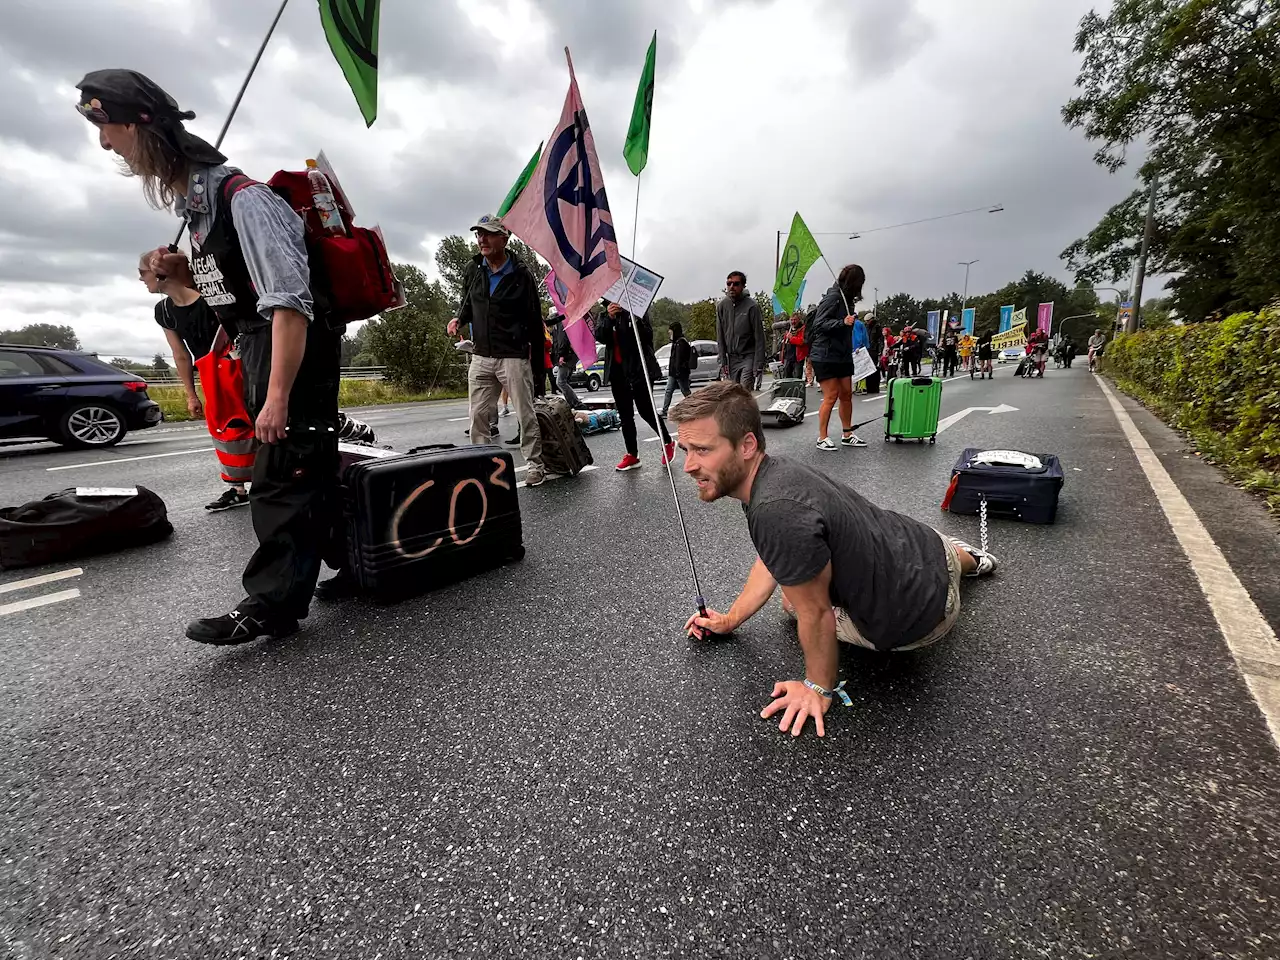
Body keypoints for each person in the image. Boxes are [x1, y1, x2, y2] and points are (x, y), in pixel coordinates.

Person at [78, 69, 346, 643]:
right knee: (306, 467)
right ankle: (355, 558)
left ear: (141, 127)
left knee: (280, 473)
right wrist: (180, 276)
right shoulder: (198, 212)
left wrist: (275, 398)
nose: (105, 144)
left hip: (290, 348)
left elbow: (290, 304)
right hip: (260, 347)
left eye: (109, 128)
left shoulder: (243, 200)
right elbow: (231, 299)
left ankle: (272, 604)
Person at [672, 382, 999, 738]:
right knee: (936, 553)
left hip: (921, 618)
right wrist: (731, 619)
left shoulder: (775, 511)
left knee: (795, 604)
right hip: (923, 547)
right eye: (685, 449)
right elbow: (777, 556)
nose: (688, 465)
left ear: (747, 445)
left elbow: (816, 612)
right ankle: (972, 559)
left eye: (702, 450)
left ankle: (963, 568)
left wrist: (816, 687)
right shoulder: (775, 473)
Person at [139, 251, 251, 512]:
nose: (141, 279)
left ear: (160, 271)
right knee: (223, 428)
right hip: (209, 373)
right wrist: (191, 394)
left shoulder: (211, 300)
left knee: (252, 423)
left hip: (238, 366)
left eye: (142, 273)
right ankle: (237, 487)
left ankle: (269, 478)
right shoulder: (164, 311)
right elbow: (180, 354)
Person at [446, 214, 546, 487]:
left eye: (488, 234)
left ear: (505, 237)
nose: (482, 239)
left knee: (525, 413)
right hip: (481, 354)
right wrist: (458, 318)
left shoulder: (521, 274)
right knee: (478, 415)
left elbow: (534, 320)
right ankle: (482, 466)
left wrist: (538, 371)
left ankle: (536, 464)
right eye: (479, 234)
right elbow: (467, 301)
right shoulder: (473, 269)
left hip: (513, 355)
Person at [595, 299, 674, 470]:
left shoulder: (637, 309)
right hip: (617, 372)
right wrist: (609, 317)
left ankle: (667, 441)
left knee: (646, 410)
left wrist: (635, 319)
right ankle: (632, 454)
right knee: (625, 415)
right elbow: (601, 337)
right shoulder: (604, 315)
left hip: (639, 369)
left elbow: (647, 335)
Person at [806, 264, 868, 451]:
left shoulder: (847, 300)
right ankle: (822, 437)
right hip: (825, 354)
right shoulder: (833, 297)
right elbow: (819, 324)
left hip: (842, 353)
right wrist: (842, 322)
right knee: (831, 396)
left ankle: (847, 433)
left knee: (846, 395)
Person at [715, 270, 765, 389]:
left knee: (744, 392)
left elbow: (759, 337)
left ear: (743, 286)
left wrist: (758, 364)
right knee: (732, 394)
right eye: (729, 283)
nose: (732, 287)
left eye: (736, 284)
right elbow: (720, 335)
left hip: (748, 356)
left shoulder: (752, 306)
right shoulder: (722, 306)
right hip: (732, 358)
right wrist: (722, 361)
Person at [548, 312, 584, 410]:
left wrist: (561, 355)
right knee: (563, 381)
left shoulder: (560, 326)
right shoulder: (561, 326)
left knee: (560, 381)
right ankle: (572, 403)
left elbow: (562, 341)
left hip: (566, 357)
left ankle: (575, 403)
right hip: (569, 356)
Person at [659, 321, 693, 418]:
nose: (669, 334)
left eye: (670, 331)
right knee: (668, 390)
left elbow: (679, 359)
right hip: (674, 372)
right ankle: (664, 410)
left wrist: (677, 371)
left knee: (685, 391)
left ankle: (694, 406)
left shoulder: (681, 343)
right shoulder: (677, 343)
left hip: (680, 373)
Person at [780, 312, 808, 380]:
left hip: (798, 357)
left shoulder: (803, 329)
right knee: (787, 376)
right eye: (791, 320)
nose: (793, 322)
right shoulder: (788, 329)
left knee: (797, 377)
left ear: (799, 320)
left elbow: (802, 341)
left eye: (795, 320)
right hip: (788, 356)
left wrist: (791, 338)